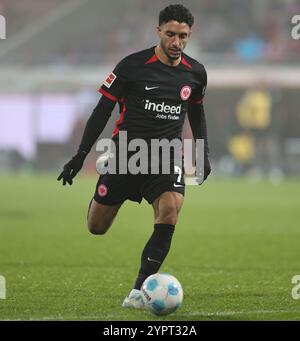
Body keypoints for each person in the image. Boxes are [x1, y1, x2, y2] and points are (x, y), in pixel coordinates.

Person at [57, 4, 211, 309]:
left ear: (189, 35)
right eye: (170, 34)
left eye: (182, 36)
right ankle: (104, 183)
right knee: (96, 227)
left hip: (166, 157)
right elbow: (102, 110)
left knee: (169, 210)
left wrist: (202, 153)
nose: (176, 42)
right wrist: (81, 155)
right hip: (127, 155)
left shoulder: (195, 73)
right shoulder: (131, 65)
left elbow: (197, 113)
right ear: (158, 31)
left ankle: (140, 290)